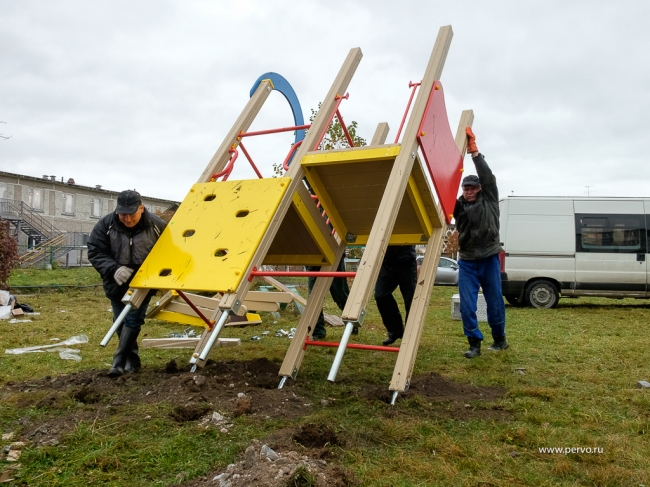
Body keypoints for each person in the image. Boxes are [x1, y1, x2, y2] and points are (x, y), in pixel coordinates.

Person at [88, 190, 167, 377]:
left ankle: (119, 362)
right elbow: (95, 250)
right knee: (120, 321)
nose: (127, 219)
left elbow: (169, 250)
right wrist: (113, 269)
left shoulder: (157, 226)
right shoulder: (106, 225)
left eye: (131, 214)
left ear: (141, 208)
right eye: (122, 214)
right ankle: (132, 361)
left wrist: (157, 274)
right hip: (116, 281)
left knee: (133, 319)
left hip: (144, 282)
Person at [453, 127, 508, 358]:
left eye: (473, 188)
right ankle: (474, 343)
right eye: (465, 188)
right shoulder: (457, 206)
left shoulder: (490, 199)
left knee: (494, 302)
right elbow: (443, 185)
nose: (469, 191)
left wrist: (474, 153)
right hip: (467, 260)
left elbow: (487, 177)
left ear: (480, 189)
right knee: (467, 304)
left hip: (489, 257)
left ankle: (499, 339)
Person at [375, 245, 417, 346]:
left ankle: (410, 335)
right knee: (380, 295)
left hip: (406, 259)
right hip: (387, 260)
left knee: (411, 300)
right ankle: (395, 331)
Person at [307, 258, 351, 340]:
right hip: (314, 262)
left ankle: (352, 323)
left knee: (340, 295)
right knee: (313, 300)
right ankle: (318, 332)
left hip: (334, 259)